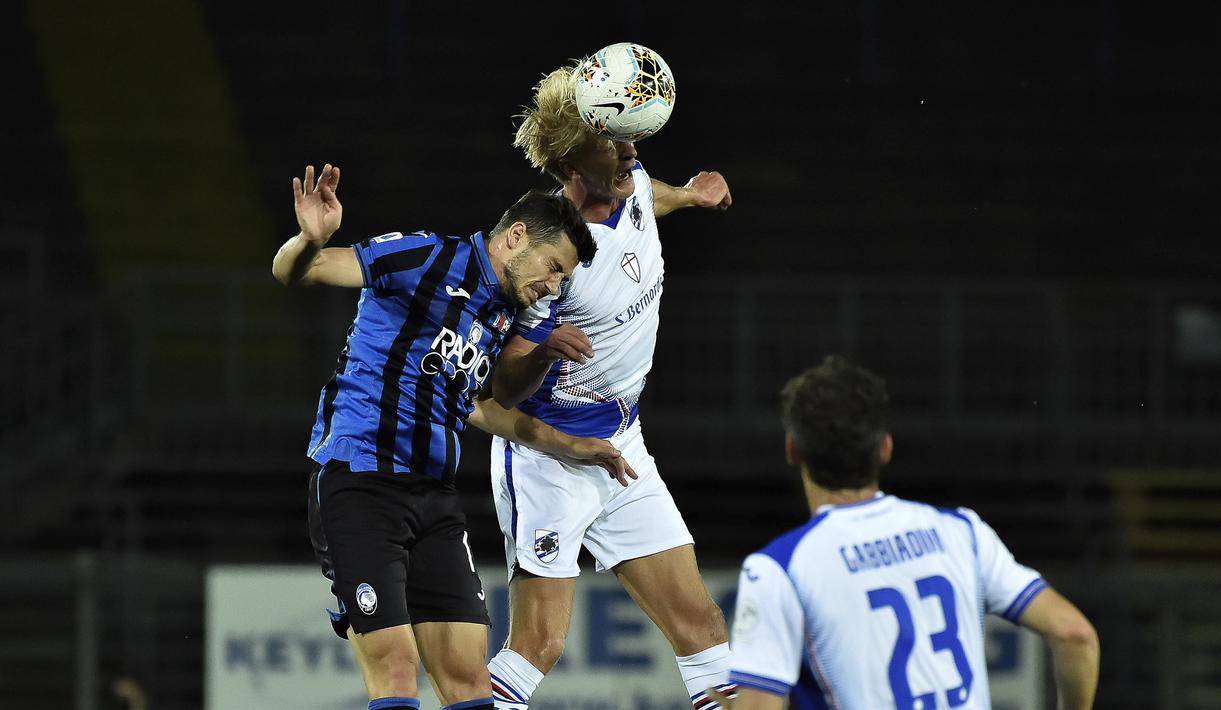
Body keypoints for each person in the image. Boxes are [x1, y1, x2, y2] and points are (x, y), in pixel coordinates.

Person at [273, 164, 631, 710]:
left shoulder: (502, 312)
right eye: (554, 268)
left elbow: (481, 407)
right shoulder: (425, 256)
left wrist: (574, 445)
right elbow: (298, 272)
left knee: (469, 680)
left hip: (434, 499)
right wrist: (308, 240)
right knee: (396, 666)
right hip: (362, 481)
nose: (554, 287)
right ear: (516, 236)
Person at [484, 60, 737, 710]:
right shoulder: (554, 251)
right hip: (549, 458)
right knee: (537, 646)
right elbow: (501, 389)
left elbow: (652, 199)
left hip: (622, 445)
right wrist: (544, 350)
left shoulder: (635, 183)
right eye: (614, 145)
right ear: (573, 163)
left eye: (630, 141)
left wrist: (692, 194)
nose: (631, 154)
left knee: (702, 626)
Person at [709, 355, 1100, 710]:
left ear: (792, 449)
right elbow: (1075, 634)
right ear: (885, 448)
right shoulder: (962, 532)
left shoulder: (781, 569)